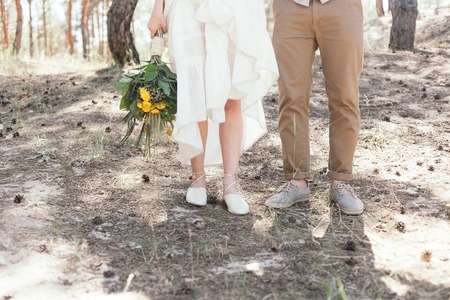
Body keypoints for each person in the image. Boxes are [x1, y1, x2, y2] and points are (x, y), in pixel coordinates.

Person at [148, 0, 278, 215]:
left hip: (234, 7)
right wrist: (157, 9)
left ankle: (231, 185)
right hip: (188, 9)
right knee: (196, 91)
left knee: (233, 94)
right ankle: (198, 177)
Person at [265, 0, 365, 215]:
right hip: (291, 7)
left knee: (345, 97)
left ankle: (341, 181)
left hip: (342, 7)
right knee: (291, 97)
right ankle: (297, 181)